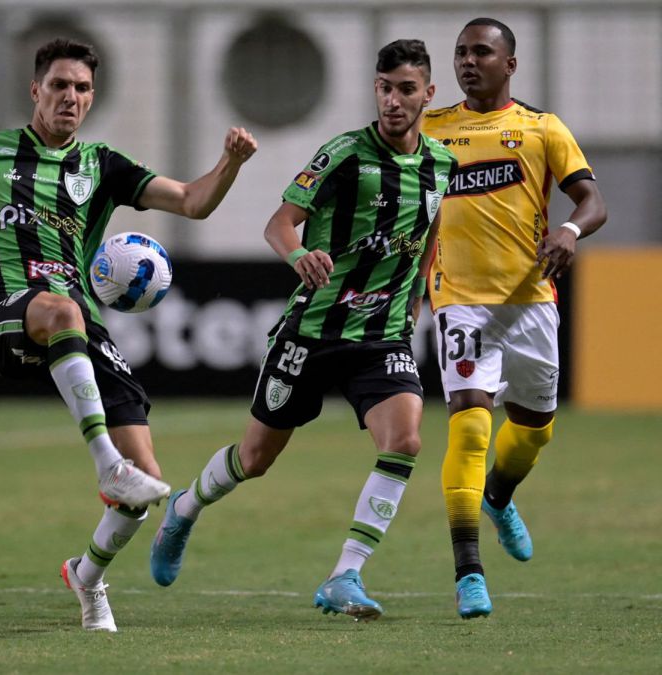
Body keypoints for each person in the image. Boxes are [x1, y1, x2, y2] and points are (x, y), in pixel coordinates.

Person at [0, 38, 256, 631]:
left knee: (145, 481)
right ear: (36, 90)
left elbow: (191, 201)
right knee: (61, 312)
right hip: (6, 313)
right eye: (59, 86)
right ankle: (104, 461)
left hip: (77, 323)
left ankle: (87, 575)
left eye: (81, 89)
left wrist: (231, 162)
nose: (70, 98)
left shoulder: (102, 166)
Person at [150, 39, 455, 622]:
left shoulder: (442, 164)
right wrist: (297, 258)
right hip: (311, 332)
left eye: (407, 89)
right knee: (256, 457)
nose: (394, 100)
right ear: (376, 89)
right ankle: (185, 508)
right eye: (385, 88)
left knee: (406, 441)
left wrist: (416, 294)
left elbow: (431, 230)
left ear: (428, 94)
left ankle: (345, 575)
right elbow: (280, 223)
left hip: (381, 334)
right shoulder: (344, 153)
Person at [422, 18, 607, 619]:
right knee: (471, 427)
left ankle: (500, 497)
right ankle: (468, 572)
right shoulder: (430, 130)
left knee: (534, 429)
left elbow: (592, 200)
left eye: (481, 52)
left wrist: (571, 230)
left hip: (530, 302)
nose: (468, 61)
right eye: (460, 52)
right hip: (460, 300)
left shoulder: (540, 129)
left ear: (510, 64)